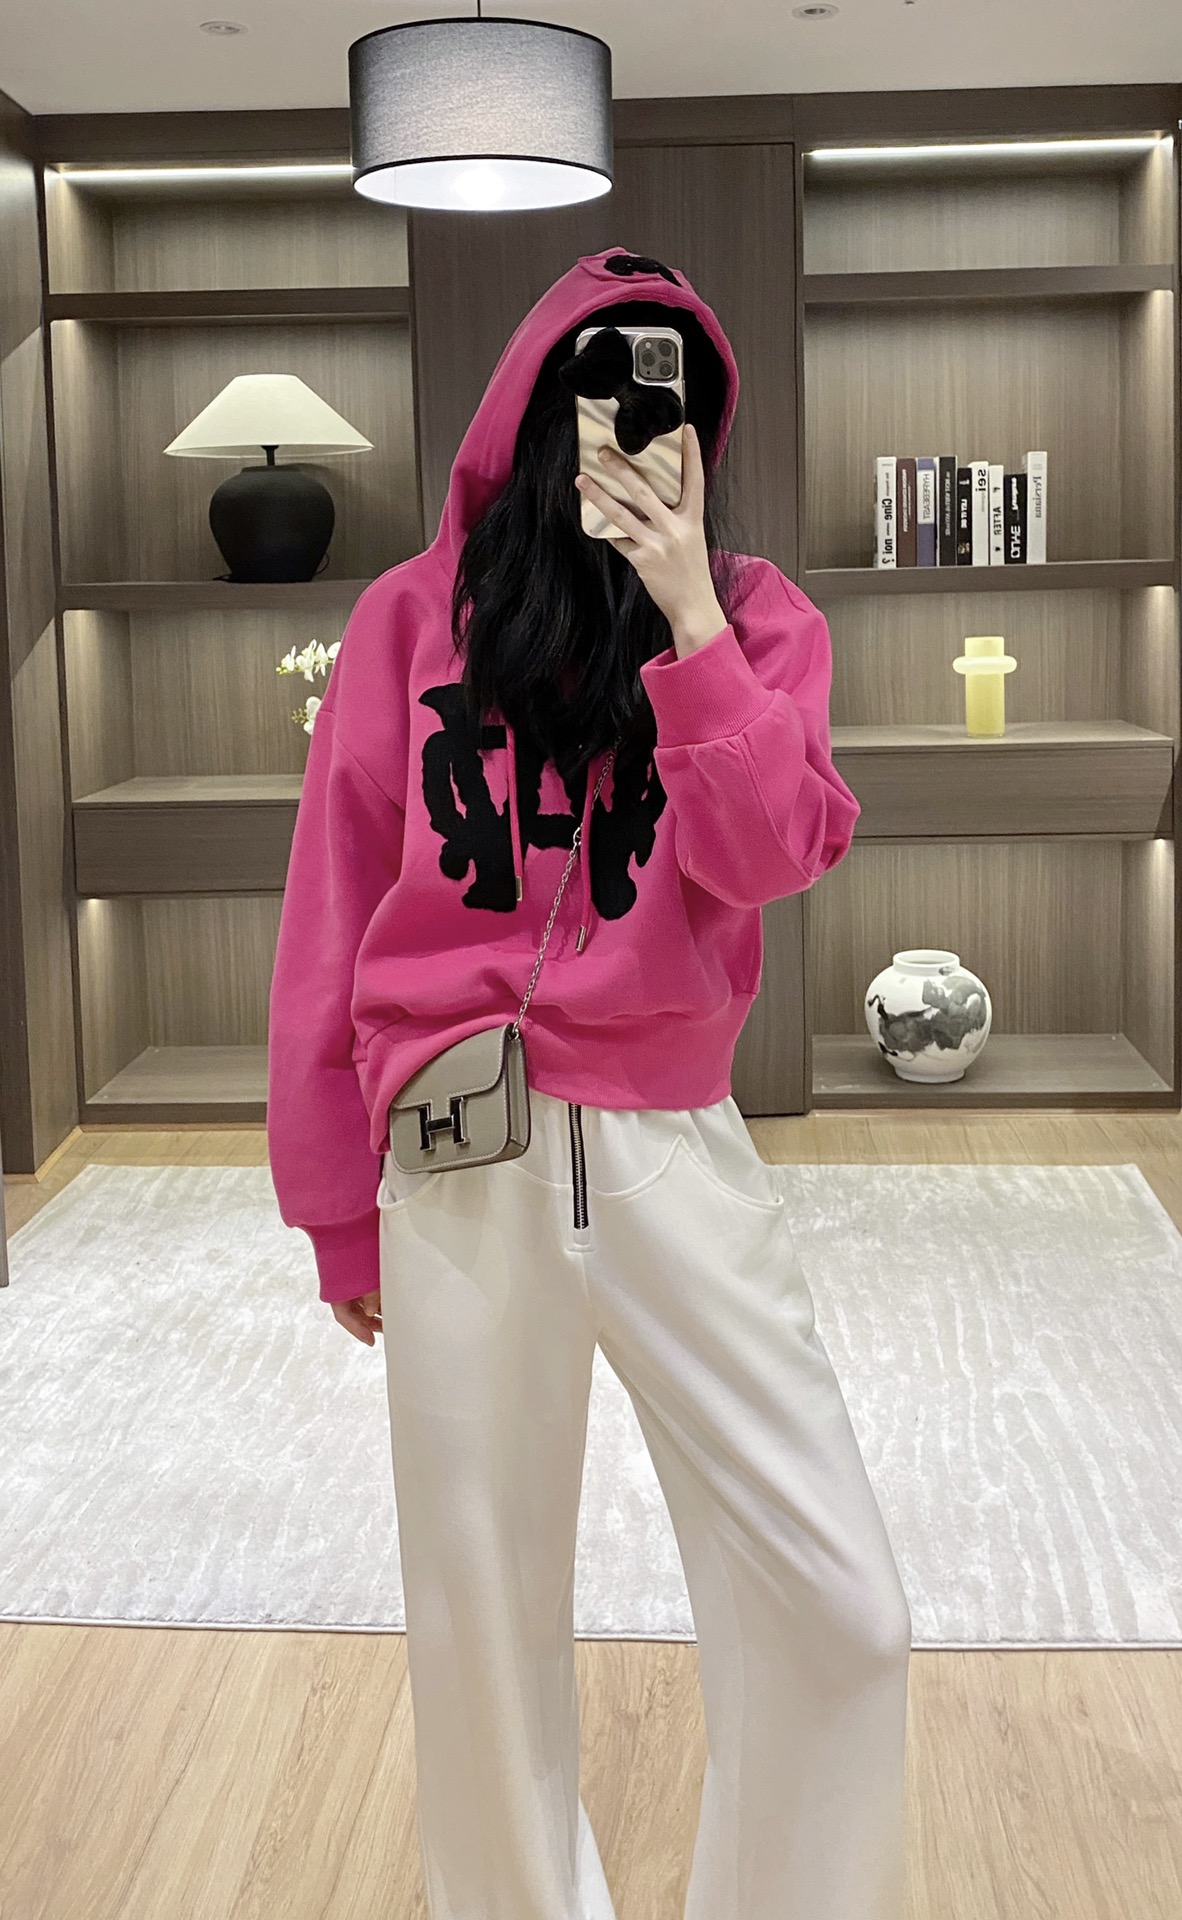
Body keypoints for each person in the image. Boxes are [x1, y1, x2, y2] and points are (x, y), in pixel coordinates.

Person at [267, 247, 912, 1920]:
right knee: (478, 1618)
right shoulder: (406, 622)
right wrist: (335, 1208)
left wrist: (688, 613)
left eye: (663, 394)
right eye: (596, 385)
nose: (627, 419)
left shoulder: (758, 619)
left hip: (670, 1145)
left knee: (839, 1604)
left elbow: (769, 857)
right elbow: (331, 910)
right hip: (454, 1154)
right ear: (531, 409)